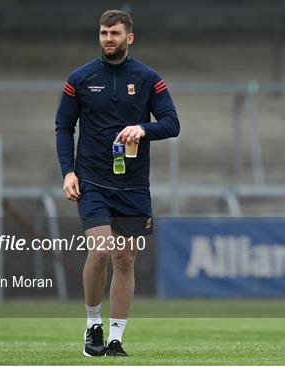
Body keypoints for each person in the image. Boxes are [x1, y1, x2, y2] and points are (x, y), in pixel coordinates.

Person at [54, 10, 180, 357]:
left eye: (114, 33)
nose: (108, 38)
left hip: (134, 186)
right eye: (103, 33)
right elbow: (64, 127)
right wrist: (68, 171)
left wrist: (144, 128)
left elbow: (172, 123)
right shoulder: (80, 79)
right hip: (92, 181)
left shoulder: (147, 78)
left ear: (129, 38)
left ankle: (115, 339)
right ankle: (92, 323)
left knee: (125, 258)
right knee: (102, 249)